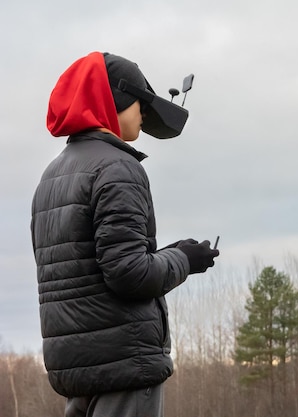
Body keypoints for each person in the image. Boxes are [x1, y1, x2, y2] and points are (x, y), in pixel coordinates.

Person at [30, 51, 219, 417]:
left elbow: (92, 266)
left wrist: (168, 252)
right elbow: (130, 275)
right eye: (138, 104)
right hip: (124, 364)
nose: (143, 114)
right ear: (112, 102)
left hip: (78, 369)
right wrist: (185, 260)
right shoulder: (118, 166)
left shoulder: (51, 176)